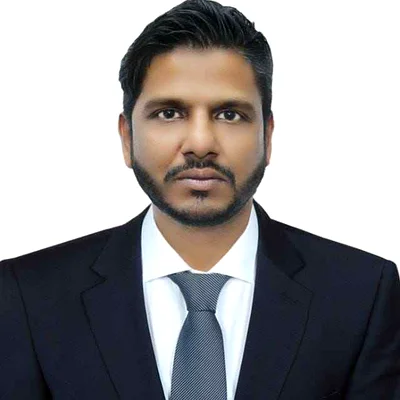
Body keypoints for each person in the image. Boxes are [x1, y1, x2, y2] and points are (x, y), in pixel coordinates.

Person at [1, 0, 399, 398]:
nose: (200, 143)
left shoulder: (362, 294)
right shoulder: (28, 296)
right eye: (169, 113)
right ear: (126, 137)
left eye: (229, 114)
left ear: (268, 136)